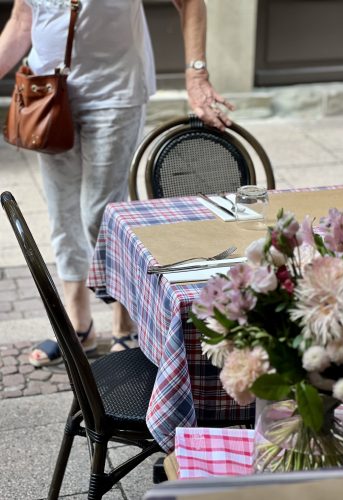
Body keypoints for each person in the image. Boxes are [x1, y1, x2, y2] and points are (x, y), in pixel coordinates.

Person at [0, 0, 234, 366]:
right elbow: (22, 19)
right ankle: (79, 327)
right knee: (62, 213)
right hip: (44, 93)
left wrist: (196, 76)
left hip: (114, 93)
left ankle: (125, 324)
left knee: (100, 214)